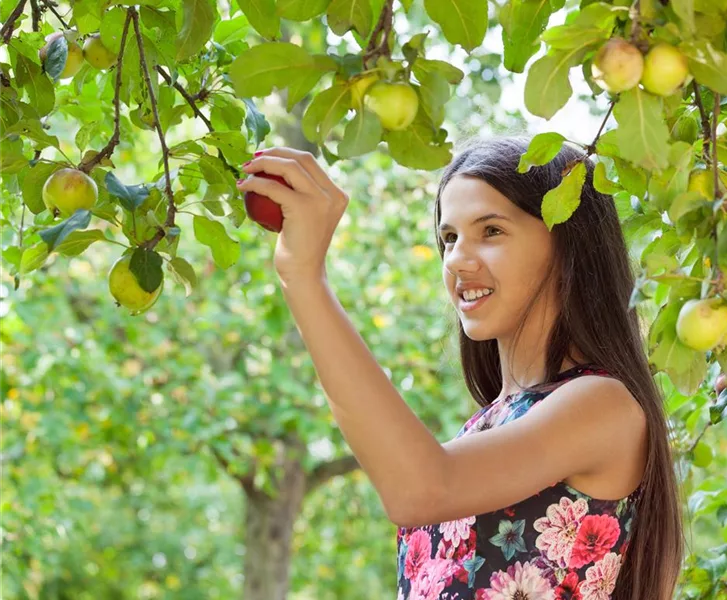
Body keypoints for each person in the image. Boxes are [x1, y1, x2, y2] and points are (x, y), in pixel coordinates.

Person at [235, 134, 683, 600]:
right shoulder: (488, 424)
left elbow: (420, 488)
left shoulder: (601, 403)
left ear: (569, 244)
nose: (457, 261)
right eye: (449, 238)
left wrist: (304, 277)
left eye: (491, 231)